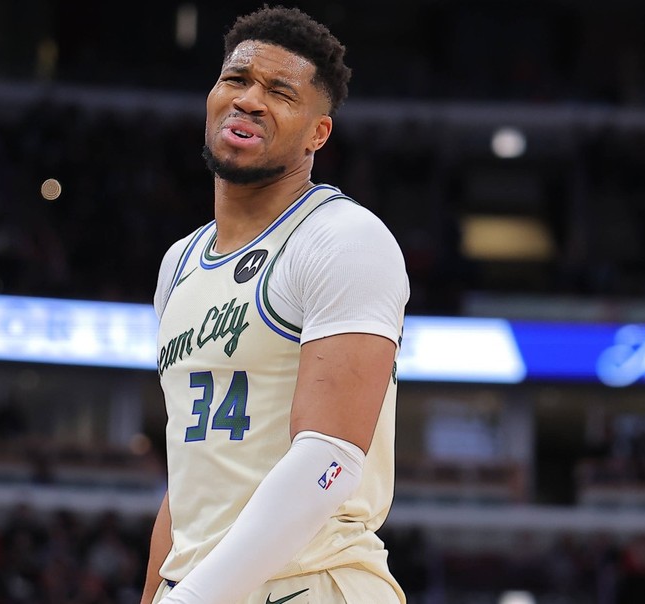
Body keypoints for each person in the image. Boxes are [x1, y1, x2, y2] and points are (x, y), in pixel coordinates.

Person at [141, 6, 409, 604]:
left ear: (319, 133)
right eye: (236, 80)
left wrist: (193, 599)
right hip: (203, 586)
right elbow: (187, 483)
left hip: (311, 583)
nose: (250, 100)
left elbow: (329, 458)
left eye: (280, 92)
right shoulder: (178, 264)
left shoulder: (344, 238)